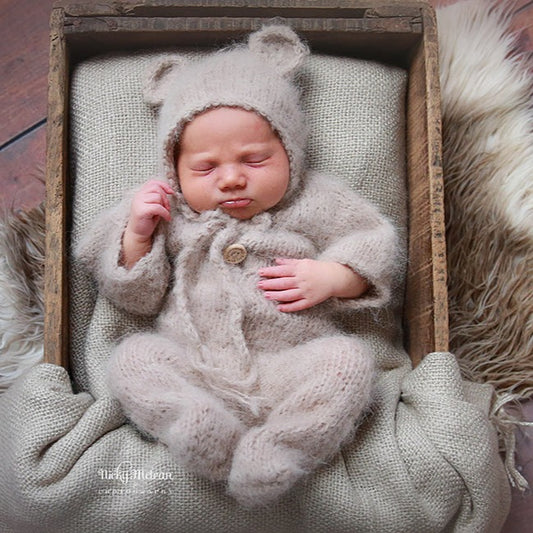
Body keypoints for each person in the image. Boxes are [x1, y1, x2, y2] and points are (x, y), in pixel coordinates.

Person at [77, 24, 399, 507]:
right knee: (133, 359)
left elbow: (377, 244)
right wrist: (137, 235)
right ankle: (211, 442)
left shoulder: (316, 201)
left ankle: (279, 450)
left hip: (288, 367)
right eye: (206, 168)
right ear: (174, 169)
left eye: (254, 159)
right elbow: (136, 298)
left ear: (290, 153)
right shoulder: (165, 212)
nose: (231, 179)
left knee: (349, 363)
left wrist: (333, 276)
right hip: (198, 370)